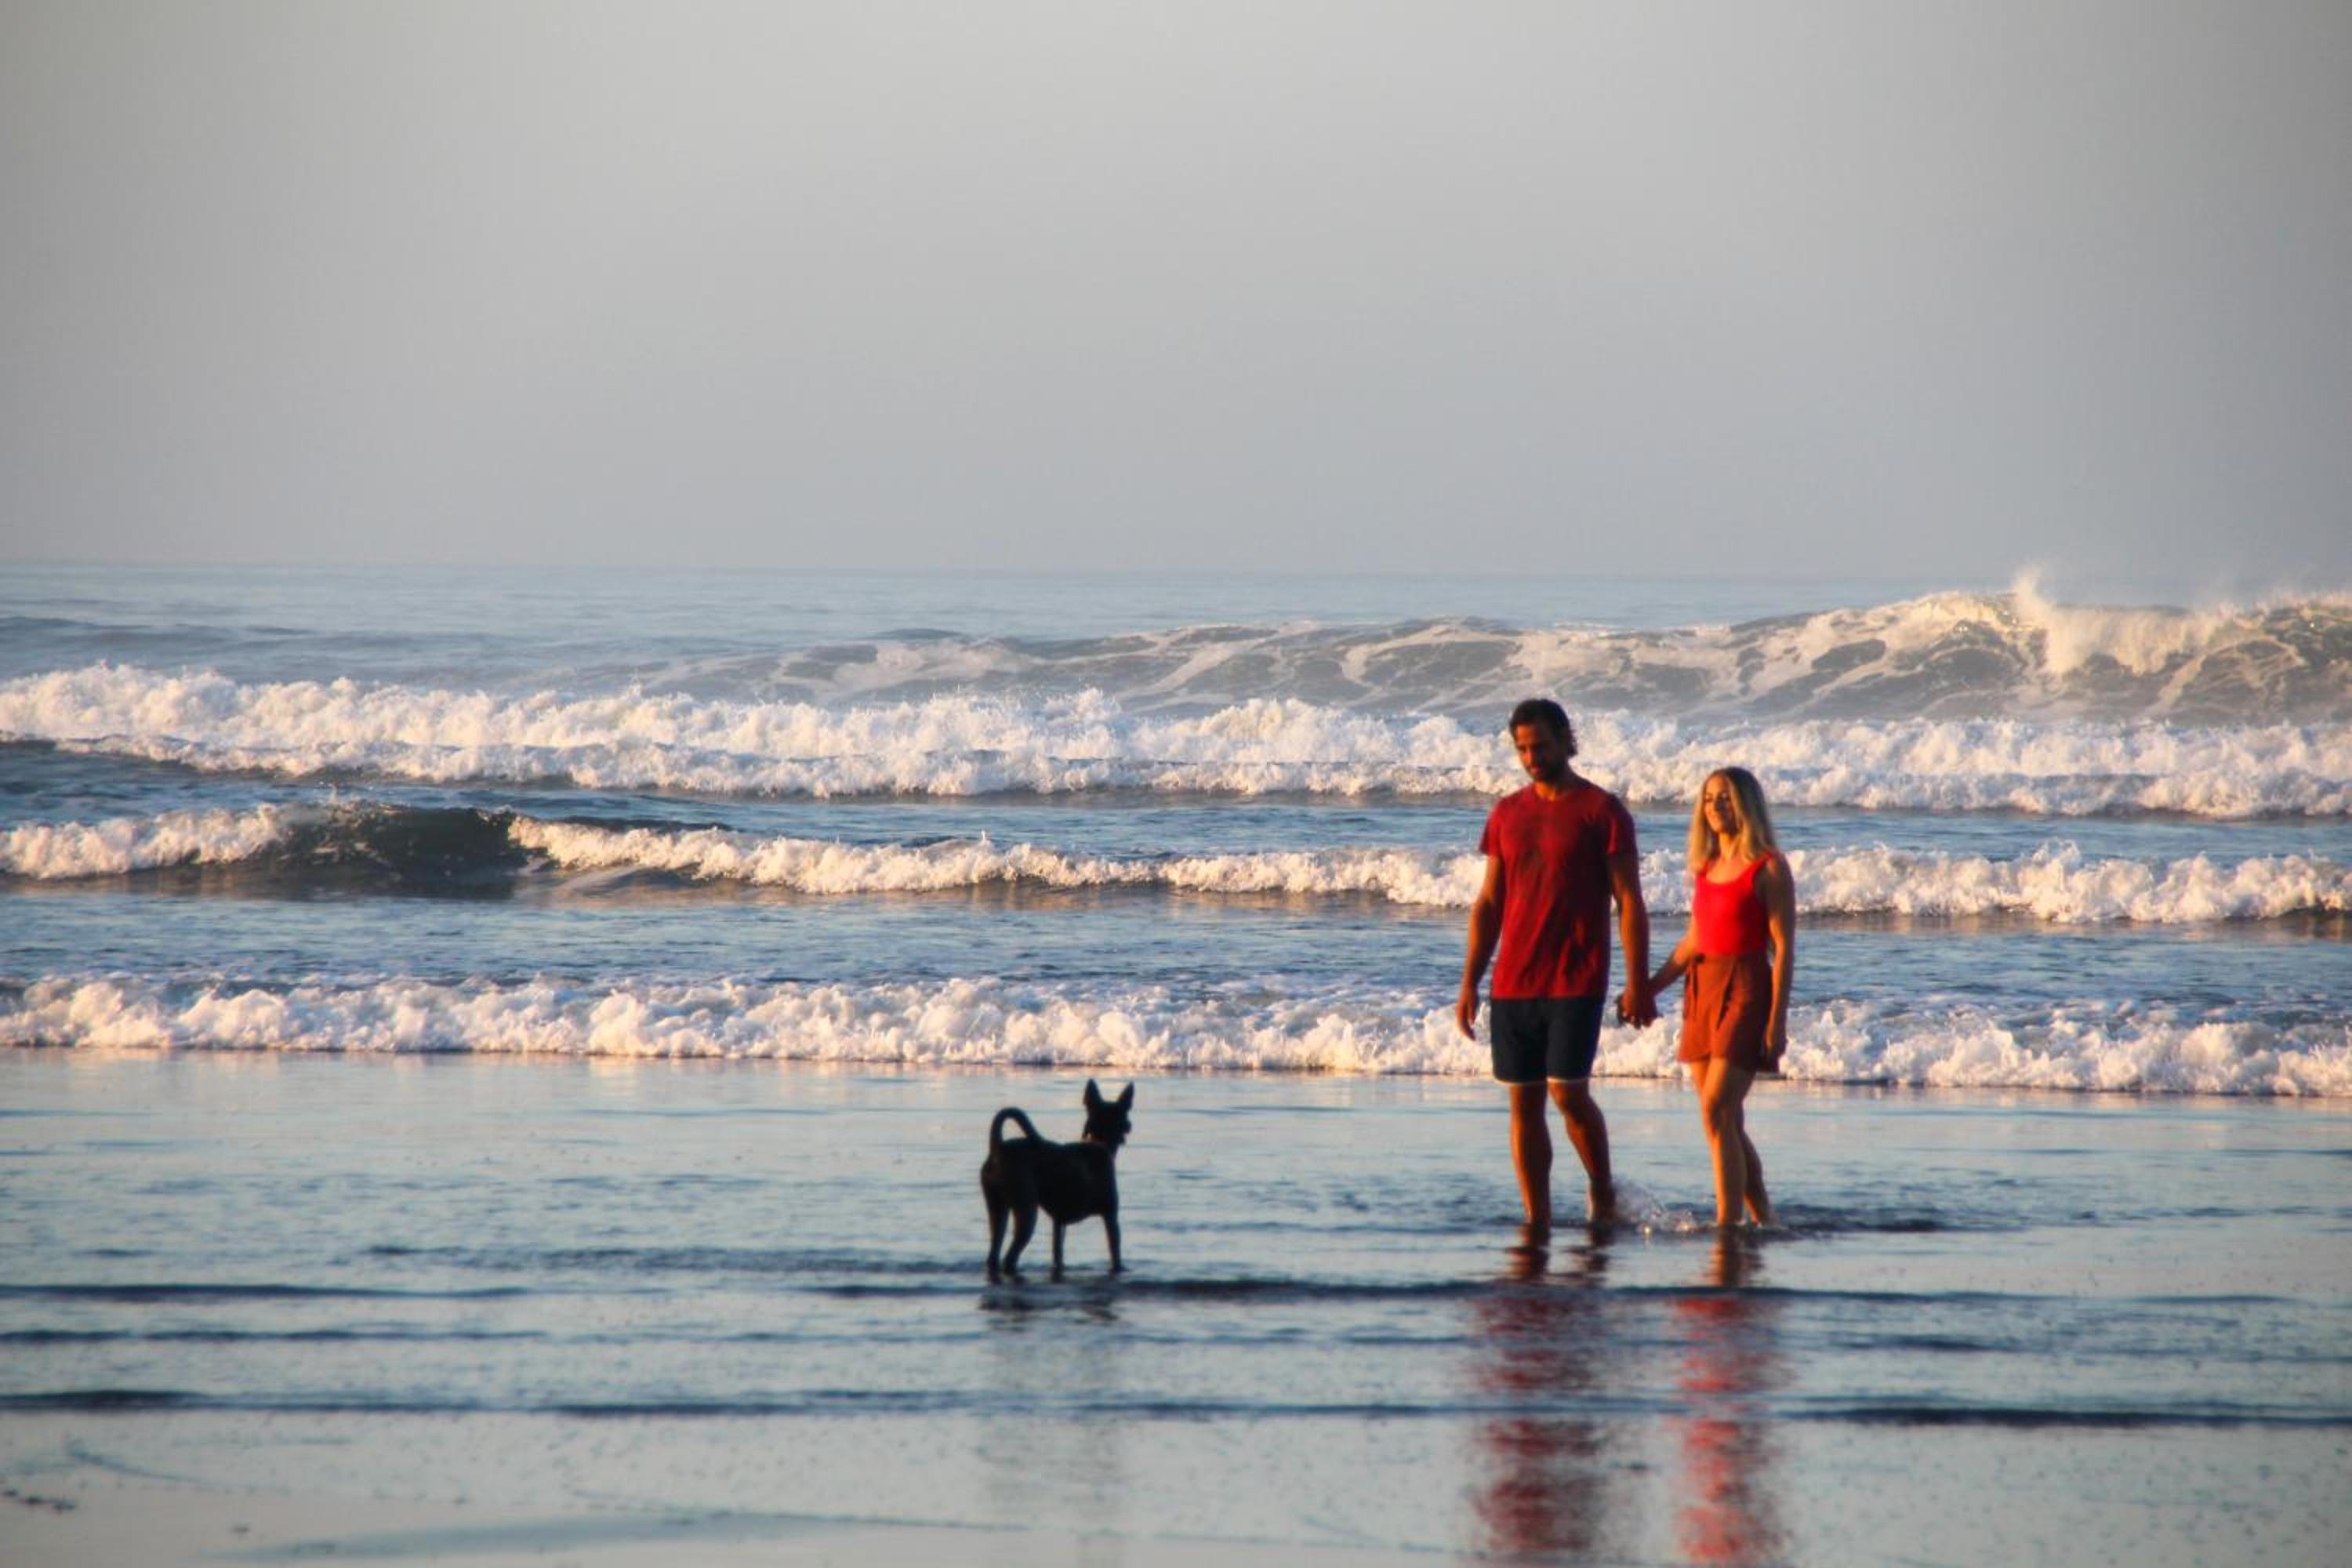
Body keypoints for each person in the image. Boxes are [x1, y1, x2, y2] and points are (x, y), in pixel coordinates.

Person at [1456, 698, 1655, 1236]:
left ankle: (1601, 1186)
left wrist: (1638, 982)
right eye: (1522, 749)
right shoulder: (1506, 813)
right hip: (1513, 981)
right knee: (1523, 1103)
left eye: (1540, 746)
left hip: (1576, 977)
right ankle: (1536, 1221)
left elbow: (1629, 902)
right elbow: (1489, 903)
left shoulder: (1602, 811)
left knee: (1568, 1093)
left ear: (1567, 738)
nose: (1531, 758)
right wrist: (1470, 981)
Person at [1648, 767, 1795, 1227]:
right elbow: (1693, 941)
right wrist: (1647, 988)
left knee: (1717, 1109)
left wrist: (1776, 1022)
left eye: (1725, 798)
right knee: (1726, 1119)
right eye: (1709, 799)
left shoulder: (1769, 866)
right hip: (1701, 988)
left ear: (1746, 804)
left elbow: (1784, 948)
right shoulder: (1706, 866)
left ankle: (1727, 1223)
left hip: (1746, 987)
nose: (1715, 807)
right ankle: (1762, 1215)